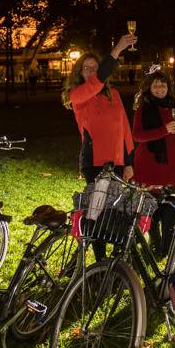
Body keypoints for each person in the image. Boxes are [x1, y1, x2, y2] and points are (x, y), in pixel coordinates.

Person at [61, 34, 136, 261]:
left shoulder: (113, 95)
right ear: (80, 73)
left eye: (95, 68)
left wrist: (129, 162)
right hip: (95, 161)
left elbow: (124, 128)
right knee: (97, 211)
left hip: (117, 161)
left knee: (118, 209)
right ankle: (99, 259)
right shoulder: (77, 95)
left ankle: (115, 259)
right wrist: (117, 49)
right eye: (87, 69)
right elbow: (97, 81)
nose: (92, 72)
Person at [131, 67, 175, 187]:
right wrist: (164, 130)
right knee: (153, 201)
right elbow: (137, 136)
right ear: (149, 88)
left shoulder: (173, 105)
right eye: (155, 86)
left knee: (173, 201)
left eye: (163, 85)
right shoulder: (144, 108)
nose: (160, 89)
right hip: (152, 163)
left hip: (174, 163)